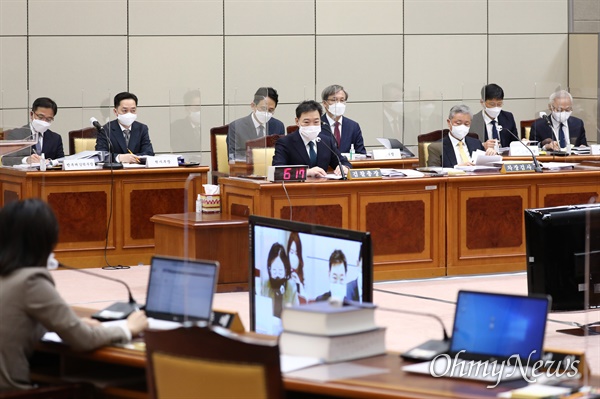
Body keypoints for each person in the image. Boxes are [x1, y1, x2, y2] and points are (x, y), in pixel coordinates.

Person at [0, 199, 147, 391]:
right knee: (88, 390)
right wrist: (128, 329)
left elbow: (15, 323)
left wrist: (76, 325)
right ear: (46, 239)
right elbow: (83, 341)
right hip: (12, 393)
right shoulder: (31, 281)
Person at [272, 100, 351, 178]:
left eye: (316, 122)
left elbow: (343, 162)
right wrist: (306, 172)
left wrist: (344, 168)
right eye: (306, 122)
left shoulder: (326, 141)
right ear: (297, 121)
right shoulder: (285, 142)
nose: (312, 126)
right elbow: (278, 171)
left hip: (322, 187)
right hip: (297, 188)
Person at [227, 87, 285, 162]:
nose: (266, 113)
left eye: (271, 110)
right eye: (263, 108)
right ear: (253, 106)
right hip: (246, 170)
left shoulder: (278, 126)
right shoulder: (236, 127)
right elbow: (233, 157)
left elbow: (281, 155)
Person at [2, 97, 65, 166]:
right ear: (31, 115)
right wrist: (26, 160)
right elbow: (5, 160)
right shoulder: (16, 134)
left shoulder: (55, 138)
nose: (44, 121)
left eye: (48, 119)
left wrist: (50, 162)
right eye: (40, 117)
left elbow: (61, 161)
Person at [95, 92, 154, 163]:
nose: (129, 114)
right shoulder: (105, 130)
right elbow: (100, 155)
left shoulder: (142, 128)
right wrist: (119, 158)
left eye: (133, 110)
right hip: (115, 172)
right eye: (125, 111)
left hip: (137, 171)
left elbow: (149, 153)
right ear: (115, 111)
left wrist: (133, 158)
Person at [469, 84, 519, 150]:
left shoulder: (508, 117)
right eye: (492, 104)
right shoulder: (473, 121)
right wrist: (483, 145)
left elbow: (514, 141)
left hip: (505, 158)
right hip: (484, 158)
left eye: (499, 104)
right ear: (482, 102)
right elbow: (468, 146)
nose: (496, 107)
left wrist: (521, 144)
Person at [320, 84, 366, 154]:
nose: (338, 104)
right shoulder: (317, 124)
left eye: (342, 100)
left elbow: (361, 153)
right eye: (334, 100)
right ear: (325, 103)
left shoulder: (353, 126)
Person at [260, 243, 299, 318]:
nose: (277, 275)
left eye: (280, 270)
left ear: (285, 269)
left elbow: (297, 314)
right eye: (274, 270)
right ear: (269, 269)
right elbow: (262, 311)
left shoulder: (291, 286)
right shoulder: (265, 284)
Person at [287, 232, 306, 299]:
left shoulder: (300, 275)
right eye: (291, 252)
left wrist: (299, 285)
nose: (294, 258)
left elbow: (305, 302)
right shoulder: (283, 272)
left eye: (296, 253)